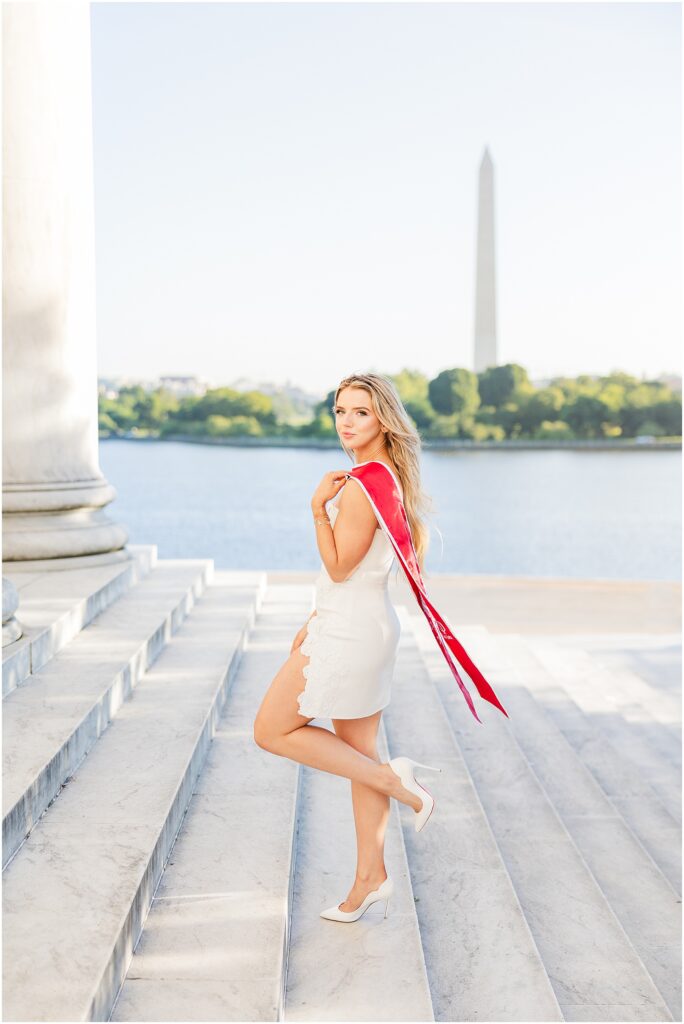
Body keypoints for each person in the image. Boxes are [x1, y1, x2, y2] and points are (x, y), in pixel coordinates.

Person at [253, 372, 442, 923]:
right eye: (340, 411)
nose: (346, 422)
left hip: (352, 631)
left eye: (359, 412)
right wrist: (314, 618)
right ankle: (369, 879)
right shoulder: (383, 478)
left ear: (382, 418)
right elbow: (355, 575)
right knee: (358, 759)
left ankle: (397, 781)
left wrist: (317, 510)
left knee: (271, 730)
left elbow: (339, 566)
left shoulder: (361, 486)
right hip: (357, 622)